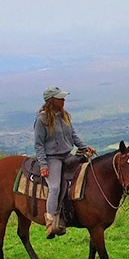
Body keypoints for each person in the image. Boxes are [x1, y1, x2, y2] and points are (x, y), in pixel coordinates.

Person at [34, 86, 95, 238]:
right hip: (53, 158)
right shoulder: (42, 120)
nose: (63, 100)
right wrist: (43, 165)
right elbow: (39, 145)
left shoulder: (64, 115)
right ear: (51, 100)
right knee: (54, 187)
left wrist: (84, 147)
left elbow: (73, 136)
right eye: (60, 98)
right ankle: (50, 221)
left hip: (68, 155)